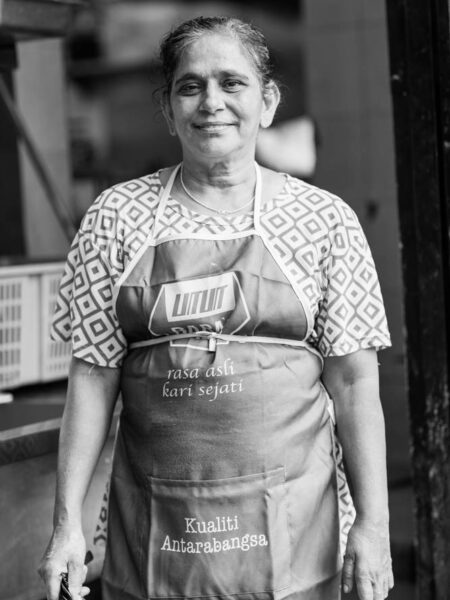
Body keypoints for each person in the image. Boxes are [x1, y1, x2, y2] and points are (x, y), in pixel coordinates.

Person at [39, 15, 394, 600]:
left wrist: (374, 529)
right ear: (167, 106)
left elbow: (356, 385)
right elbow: (94, 375)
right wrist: (66, 525)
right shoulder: (115, 217)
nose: (211, 103)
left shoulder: (324, 220)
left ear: (268, 101)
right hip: (154, 527)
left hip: (295, 529)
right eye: (190, 85)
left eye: (232, 83)